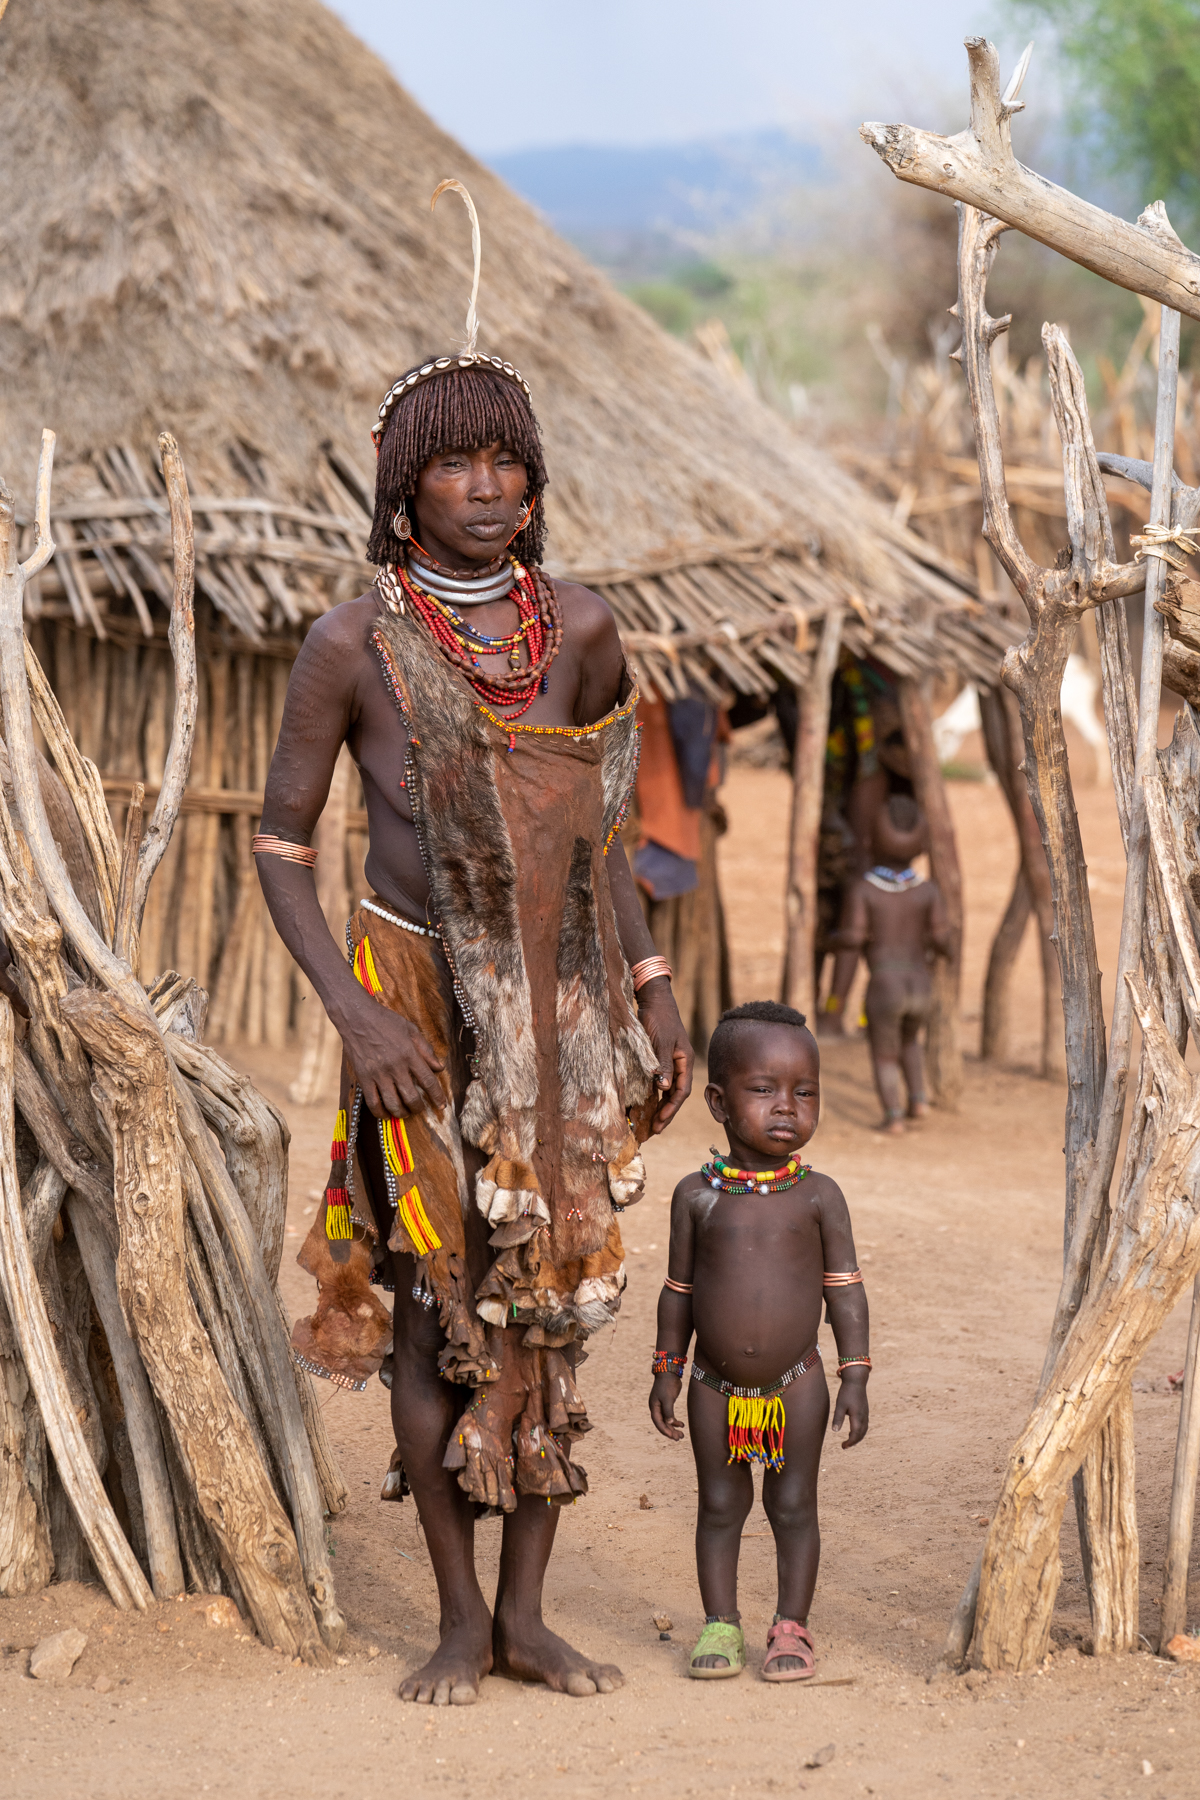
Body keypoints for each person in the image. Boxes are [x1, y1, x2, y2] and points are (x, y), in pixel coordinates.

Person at [255, 189, 694, 1707]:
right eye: (458, 463)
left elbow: (604, 833)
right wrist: (353, 1013)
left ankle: (529, 1617)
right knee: (442, 1308)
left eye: (510, 461)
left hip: (562, 1006)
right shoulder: (349, 643)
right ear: (403, 486)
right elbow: (279, 844)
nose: (490, 487)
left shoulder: (579, 628)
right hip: (412, 1000)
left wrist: (647, 991)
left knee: (553, 1303)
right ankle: (454, 1618)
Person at [648, 1000, 869, 1682]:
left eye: (805, 1093)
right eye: (764, 1089)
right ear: (716, 1100)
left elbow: (845, 1292)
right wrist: (666, 1370)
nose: (787, 1108)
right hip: (714, 1387)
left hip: (797, 1384)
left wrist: (855, 1374)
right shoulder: (695, 1197)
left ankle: (792, 1627)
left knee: (793, 1505)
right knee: (719, 1506)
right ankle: (721, 1623)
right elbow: (678, 1292)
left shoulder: (818, 1197)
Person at [836, 795, 949, 1133]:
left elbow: (854, 938)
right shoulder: (927, 891)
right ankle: (918, 1100)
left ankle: (894, 1117)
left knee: (884, 1052)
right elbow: (942, 938)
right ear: (922, 845)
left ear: (870, 840)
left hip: (886, 984)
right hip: (921, 983)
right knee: (910, 1041)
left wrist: (833, 937)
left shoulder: (866, 891)